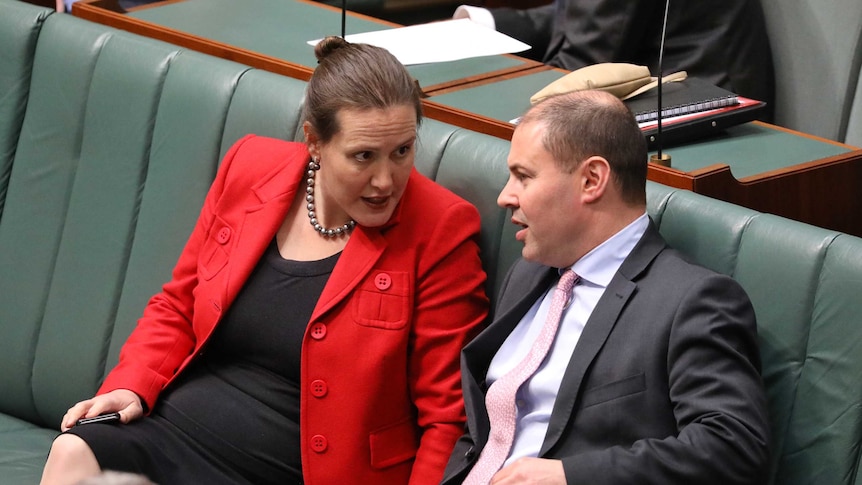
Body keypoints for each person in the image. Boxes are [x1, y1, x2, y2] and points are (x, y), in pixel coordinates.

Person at [40, 35, 489, 485]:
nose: (385, 181)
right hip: (179, 429)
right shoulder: (250, 166)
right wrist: (130, 383)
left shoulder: (440, 228)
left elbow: (448, 417)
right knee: (72, 451)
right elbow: (179, 304)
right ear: (315, 142)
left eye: (402, 152)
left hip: (306, 469)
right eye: (363, 157)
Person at [441, 90, 770, 484]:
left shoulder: (691, 301)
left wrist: (571, 477)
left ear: (592, 180)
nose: (505, 196)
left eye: (523, 176)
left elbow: (733, 446)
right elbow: (486, 426)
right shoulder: (528, 275)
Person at [455, 0, 775, 119]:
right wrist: (487, 24)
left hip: (696, 112)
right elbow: (585, 14)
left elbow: (585, 60)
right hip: (667, 89)